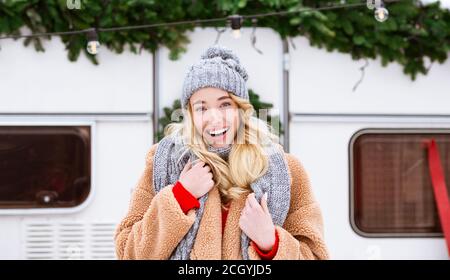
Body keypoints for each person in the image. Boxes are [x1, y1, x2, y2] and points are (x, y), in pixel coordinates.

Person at [114, 45, 329, 260]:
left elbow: (316, 255)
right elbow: (128, 253)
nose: (214, 118)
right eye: (202, 108)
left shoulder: (286, 170)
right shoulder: (163, 164)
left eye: (225, 104)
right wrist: (181, 196)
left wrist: (270, 243)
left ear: (241, 109)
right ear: (190, 114)